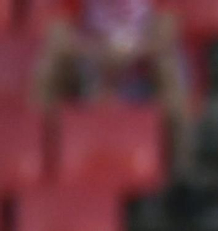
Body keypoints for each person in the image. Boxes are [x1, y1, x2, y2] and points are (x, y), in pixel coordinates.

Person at [32, 0, 199, 194]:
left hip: (142, 70)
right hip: (89, 69)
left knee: (168, 67)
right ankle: (38, 158)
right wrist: (99, 54)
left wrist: (127, 53)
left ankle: (181, 170)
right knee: (51, 65)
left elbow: (166, 33)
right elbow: (58, 37)